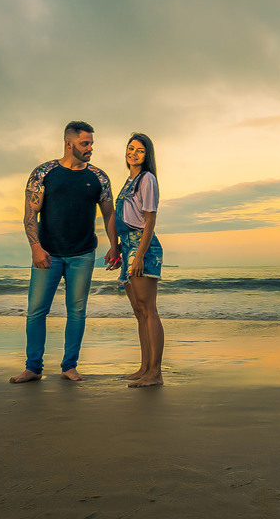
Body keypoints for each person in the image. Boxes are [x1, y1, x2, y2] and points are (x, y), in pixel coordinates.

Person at [10, 121, 120, 384]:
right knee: (36, 310)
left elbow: (109, 215)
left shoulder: (99, 177)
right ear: (69, 143)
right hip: (47, 252)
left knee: (77, 311)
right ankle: (33, 367)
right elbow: (30, 214)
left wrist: (115, 246)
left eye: (92, 143)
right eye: (85, 143)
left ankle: (69, 366)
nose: (90, 148)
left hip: (83, 254)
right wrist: (36, 247)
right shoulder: (44, 172)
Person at [116, 133, 166, 388]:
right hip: (127, 248)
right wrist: (117, 250)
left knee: (149, 310)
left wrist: (139, 255)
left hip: (141, 246)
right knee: (139, 312)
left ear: (147, 156)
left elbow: (150, 220)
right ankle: (144, 367)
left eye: (140, 150)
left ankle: (155, 373)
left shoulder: (147, 179)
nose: (133, 153)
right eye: (130, 148)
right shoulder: (129, 181)